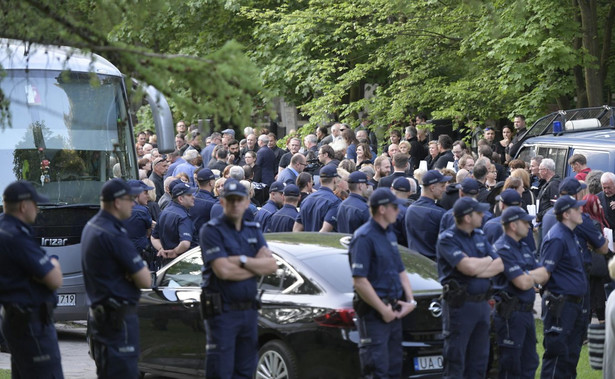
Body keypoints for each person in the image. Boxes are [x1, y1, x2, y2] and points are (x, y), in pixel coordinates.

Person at [199, 179, 277, 378]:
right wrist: (255, 265)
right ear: (222, 202)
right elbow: (223, 271)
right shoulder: (211, 230)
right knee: (221, 371)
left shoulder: (253, 229)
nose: (235, 204)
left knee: (245, 371)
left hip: (248, 311)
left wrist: (241, 260)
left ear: (246, 201)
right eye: (230, 200)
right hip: (222, 313)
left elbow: (271, 266)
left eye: (239, 200)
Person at [81, 178, 151, 378]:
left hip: (102, 318)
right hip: (117, 319)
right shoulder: (113, 233)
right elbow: (145, 279)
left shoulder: (93, 225)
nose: (133, 202)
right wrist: (135, 271)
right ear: (117, 202)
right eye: (130, 199)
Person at [349, 188, 417, 378]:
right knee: (378, 370)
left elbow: (400, 270)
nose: (398, 211)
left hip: (393, 311)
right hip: (374, 315)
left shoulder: (389, 234)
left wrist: (410, 301)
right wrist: (383, 310)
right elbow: (360, 281)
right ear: (381, 209)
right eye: (394, 207)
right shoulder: (364, 237)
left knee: (395, 368)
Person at [0, 181, 64, 378]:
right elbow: (54, 279)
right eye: (35, 203)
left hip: (17, 319)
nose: (38, 208)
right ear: (23, 206)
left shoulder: (4, 228)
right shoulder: (16, 236)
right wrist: (54, 261)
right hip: (31, 324)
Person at [436, 197, 503, 378]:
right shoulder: (447, 239)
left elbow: (500, 264)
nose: (483, 215)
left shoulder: (479, 235)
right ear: (467, 217)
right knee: (456, 361)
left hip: (481, 305)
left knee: (479, 362)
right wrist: (484, 263)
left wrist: (477, 268)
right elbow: (467, 267)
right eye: (478, 212)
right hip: (460, 307)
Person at [493, 207, 548, 378]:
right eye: (525, 222)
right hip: (510, 315)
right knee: (511, 365)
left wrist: (525, 274)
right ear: (513, 226)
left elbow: (545, 275)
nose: (530, 226)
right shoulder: (502, 248)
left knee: (530, 362)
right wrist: (529, 276)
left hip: (525, 314)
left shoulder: (523, 246)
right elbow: (523, 283)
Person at [539, 195, 589, 377]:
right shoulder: (557, 238)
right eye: (577, 208)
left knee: (570, 357)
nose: (582, 210)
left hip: (573, 305)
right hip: (561, 306)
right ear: (567, 214)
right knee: (558, 356)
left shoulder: (570, 235)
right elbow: (545, 274)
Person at [405, 170, 451, 260]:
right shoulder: (439, 213)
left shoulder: (410, 209)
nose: (444, 189)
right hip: (432, 267)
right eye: (442, 186)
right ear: (432, 188)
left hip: (414, 265)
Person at [151, 180, 197, 266]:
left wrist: (162, 249)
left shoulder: (164, 212)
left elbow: (154, 237)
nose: (193, 197)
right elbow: (185, 243)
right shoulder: (183, 217)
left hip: (166, 263)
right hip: (183, 263)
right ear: (180, 199)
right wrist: (175, 252)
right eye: (189, 195)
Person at [293, 165, 341, 232]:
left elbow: (296, 229)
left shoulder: (306, 200)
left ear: (320, 180)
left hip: (308, 241)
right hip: (323, 242)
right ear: (335, 180)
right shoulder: (335, 202)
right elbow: (325, 230)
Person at [124, 180, 156, 270]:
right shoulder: (142, 211)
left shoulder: (118, 209)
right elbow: (149, 232)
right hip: (141, 256)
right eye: (145, 193)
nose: (148, 196)